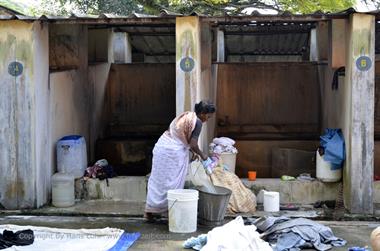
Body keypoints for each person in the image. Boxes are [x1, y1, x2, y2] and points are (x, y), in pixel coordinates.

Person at [144, 100, 216, 221]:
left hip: (162, 147)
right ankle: (169, 211)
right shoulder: (197, 122)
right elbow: (193, 144)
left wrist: (192, 151)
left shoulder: (186, 117)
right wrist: (203, 155)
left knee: (157, 181)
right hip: (173, 154)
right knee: (172, 183)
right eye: (208, 117)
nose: (207, 119)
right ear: (203, 113)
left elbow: (180, 136)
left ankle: (149, 212)